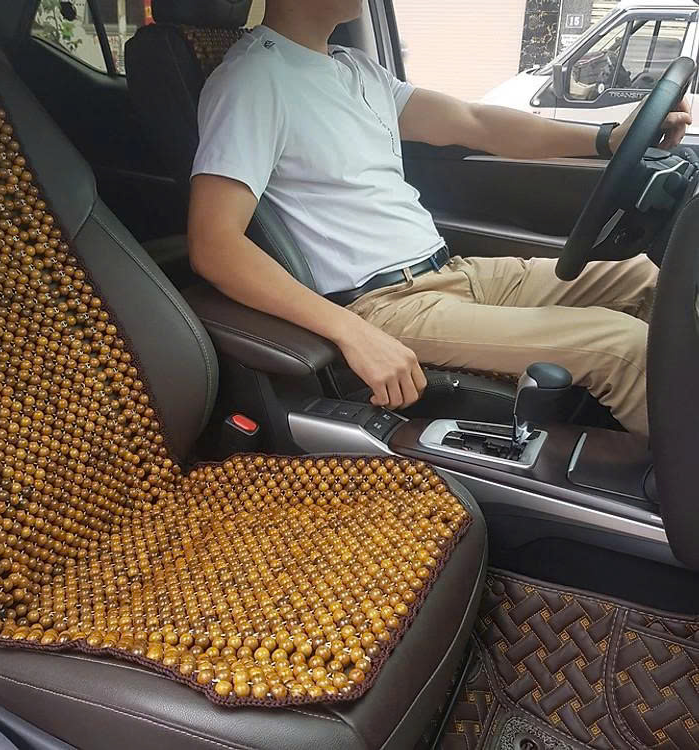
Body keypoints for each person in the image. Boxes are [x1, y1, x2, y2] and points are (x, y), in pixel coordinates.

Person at [188, 0, 691, 436]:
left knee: (656, 278)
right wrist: (350, 331)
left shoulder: (355, 68)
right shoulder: (252, 80)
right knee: (623, 347)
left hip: (450, 272)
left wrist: (606, 139)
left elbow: (475, 123)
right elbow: (215, 245)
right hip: (386, 304)